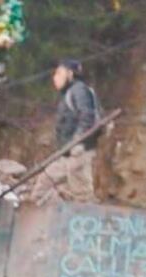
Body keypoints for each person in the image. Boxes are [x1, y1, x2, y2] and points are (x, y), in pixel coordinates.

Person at [31, 59, 101, 204]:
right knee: (45, 181)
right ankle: (40, 216)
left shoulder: (79, 90)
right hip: (67, 153)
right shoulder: (70, 93)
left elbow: (87, 116)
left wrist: (78, 141)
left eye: (59, 73)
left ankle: (87, 220)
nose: (55, 77)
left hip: (79, 151)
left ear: (70, 74)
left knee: (82, 194)